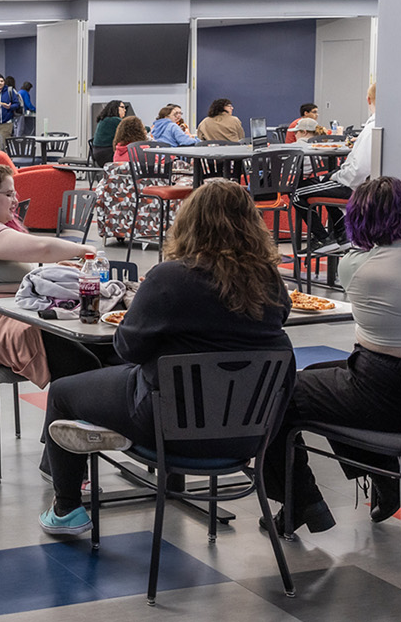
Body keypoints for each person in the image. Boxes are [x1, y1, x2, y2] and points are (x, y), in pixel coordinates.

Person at [38, 179, 294, 536]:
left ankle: (67, 508)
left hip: (164, 427)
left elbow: (127, 349)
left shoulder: (169, 278)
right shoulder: (269, 280)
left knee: (64, 391)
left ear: (189, 222)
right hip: (249, 433)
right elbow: (277, 319)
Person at [260, 179, 401, 535]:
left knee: (277, 394)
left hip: (386, 398)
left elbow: (400, 257)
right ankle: (388, 475)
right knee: (321, 376)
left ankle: (303, 500)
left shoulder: (356, 267)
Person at [0, 164, 101, 392]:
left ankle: (74, 417)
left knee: (94, 353)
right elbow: (42, 248)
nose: (15, 200)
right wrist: (84, 250)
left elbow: (27, 262)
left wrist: (57, 268)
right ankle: (67, 420)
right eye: (8, 194)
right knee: (83, 364)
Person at [294, 83, 378, 250]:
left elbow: (358, 170)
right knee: (319, 182)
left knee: (296, 193)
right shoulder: (378, 126)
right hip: (365, 186)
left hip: (353, 187)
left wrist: (337, 176)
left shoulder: (370, 130)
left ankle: (323, 239)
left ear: (368, 99)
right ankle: (341, 233)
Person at [89, 101, 128, 166]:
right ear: (115, 108)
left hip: (98, 154)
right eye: (122, 107)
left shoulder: (104, 119)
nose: (125, 110)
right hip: (106, 154)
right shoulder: (114, 120)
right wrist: (149, 128)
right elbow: (134, 128)